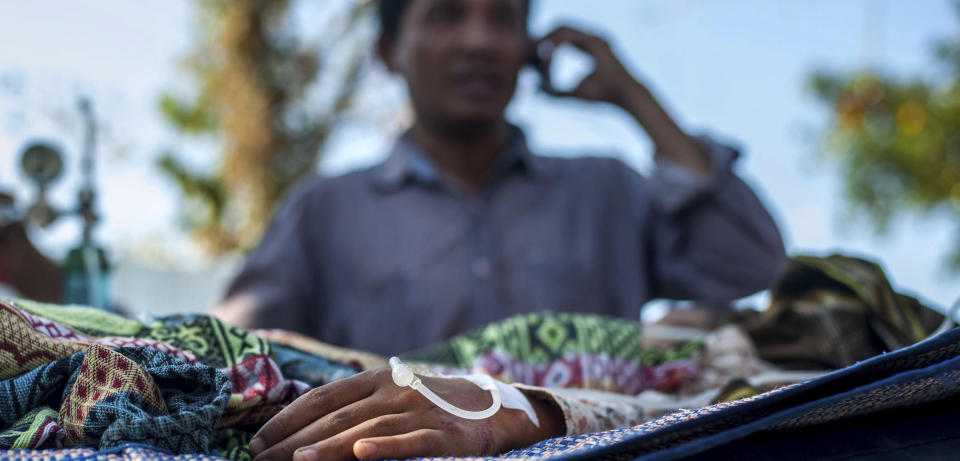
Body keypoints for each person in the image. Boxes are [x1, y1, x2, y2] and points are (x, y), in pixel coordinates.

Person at [213, 0, 787, 358]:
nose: (480, 41)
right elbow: (230, 350)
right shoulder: (326, 210)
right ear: (390, 52)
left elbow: (751, 268)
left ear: (529, 52)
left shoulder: (607, 190)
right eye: (447, 14)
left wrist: (636, 101)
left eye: (503, 18)